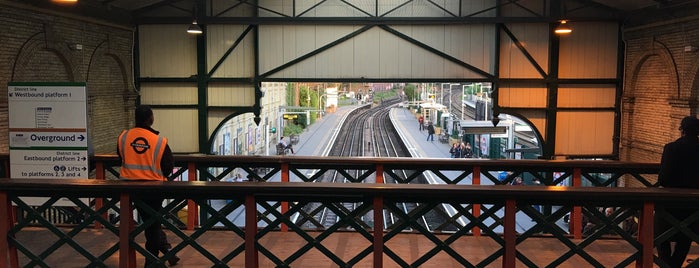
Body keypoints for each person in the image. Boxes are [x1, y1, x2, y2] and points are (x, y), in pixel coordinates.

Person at [117, 105, 178, 267]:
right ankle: (151, 261)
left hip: (128, 188)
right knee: (152, 223)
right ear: (151, 118)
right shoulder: (159, 141)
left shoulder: (123, 137)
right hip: (154, 188)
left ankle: (167, 251)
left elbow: (120, 156)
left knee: (150, 221)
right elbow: (168, 166)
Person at [655, 115, 699, 268]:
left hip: (671, 203)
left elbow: (664, 178)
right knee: (686, 236)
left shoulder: (671, 148)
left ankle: (667, 265)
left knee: (661, 236)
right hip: (694, 206)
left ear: (682, 130)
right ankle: (674, 265)